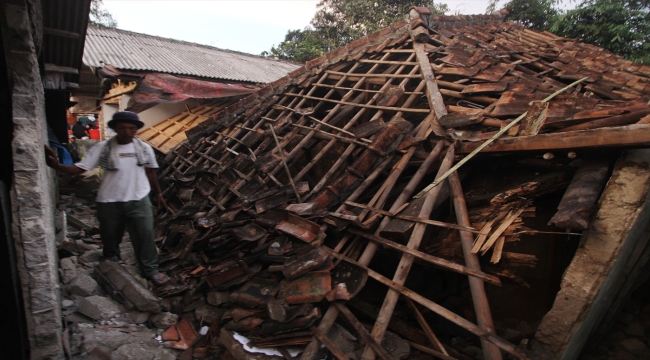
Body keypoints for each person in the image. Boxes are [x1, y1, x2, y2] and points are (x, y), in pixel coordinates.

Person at [45, 111, 170, 285]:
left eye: (131, 128)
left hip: (139, 199)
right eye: (122, 128)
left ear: (136, 130)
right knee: (110, 236)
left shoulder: (144, 148)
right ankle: (111, 261)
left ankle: (151, 270)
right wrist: (57, 166)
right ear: (115, 129)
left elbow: (151, 172)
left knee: (145, 236)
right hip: (109, 201)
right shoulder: (103, 147)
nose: (127, 132)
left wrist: (159, 194)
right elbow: (81, 168)